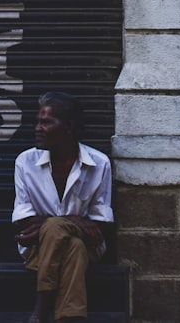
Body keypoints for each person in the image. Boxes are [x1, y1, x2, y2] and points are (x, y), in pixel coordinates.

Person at [12, 91, 113, 323]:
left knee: (59, 230)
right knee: (72, 245)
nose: (38, 128)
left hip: (90, 247)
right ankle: (68, 319)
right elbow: (23, 221)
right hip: (39, 249)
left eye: (46, 122)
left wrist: (52, 223)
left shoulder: (98, 163)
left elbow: (101, 226)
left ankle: (41, 309)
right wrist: (76, 221)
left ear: (68, 126)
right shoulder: (25, 162)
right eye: (38, 121)